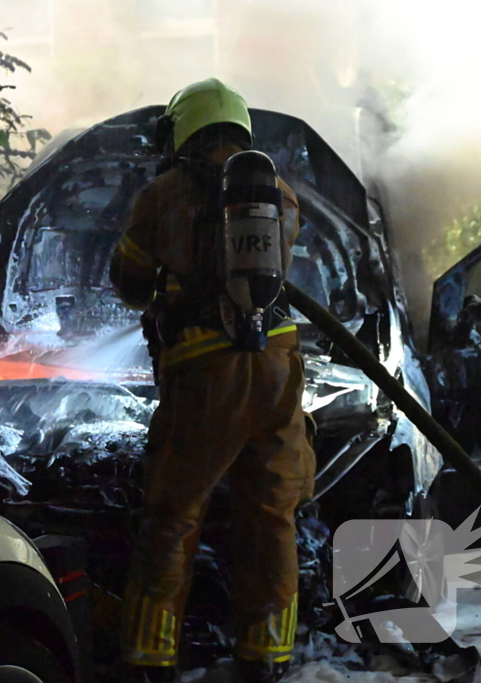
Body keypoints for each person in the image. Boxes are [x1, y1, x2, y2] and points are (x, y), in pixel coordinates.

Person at [110, 78, 316, 683]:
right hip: (278, 368)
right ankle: (268, 657)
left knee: (172, 518)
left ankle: (150, 660)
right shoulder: (280, 194)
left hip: (206, 372)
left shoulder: (164, 194)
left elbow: (128, 282)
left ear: (184, 131)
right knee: (271, 515)